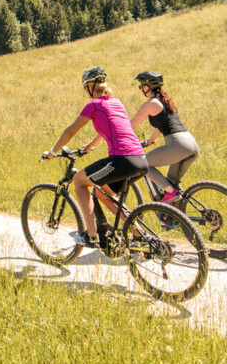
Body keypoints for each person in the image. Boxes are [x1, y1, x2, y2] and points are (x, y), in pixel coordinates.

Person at [42, 66, 148, 248]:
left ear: (90, 87)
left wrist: (52, 152)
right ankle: (140, 236)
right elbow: (112, 127)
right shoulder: (117, 103)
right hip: (140, 160)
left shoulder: (94, 105)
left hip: (121, 159)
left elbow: (70, 131)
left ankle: (90, 236)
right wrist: (90, 145)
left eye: (86, 88)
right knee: (101, 193)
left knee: (79, 181)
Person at [130, 71, 200, 201]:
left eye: (141, 86)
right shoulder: (166, 101)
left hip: (178, 144)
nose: (141, 89)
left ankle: (172, 193)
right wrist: (151, 140)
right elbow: (162, 125)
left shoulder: (151, 103)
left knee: (144, 164)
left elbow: (130, 125)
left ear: (147, 87)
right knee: (171, 185)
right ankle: (174, 219)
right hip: (191, 144)